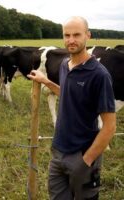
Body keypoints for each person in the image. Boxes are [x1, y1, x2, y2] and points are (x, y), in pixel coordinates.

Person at [27, 16, 116, 200]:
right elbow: (69, 94)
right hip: (58, 152)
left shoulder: (99, 75)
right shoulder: (64, 65)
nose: (71, 40)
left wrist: (87, 160)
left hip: (82, 154)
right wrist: (46, 81)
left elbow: (110, 126)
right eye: (67, 35)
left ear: (88, 35)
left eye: (77, 34)